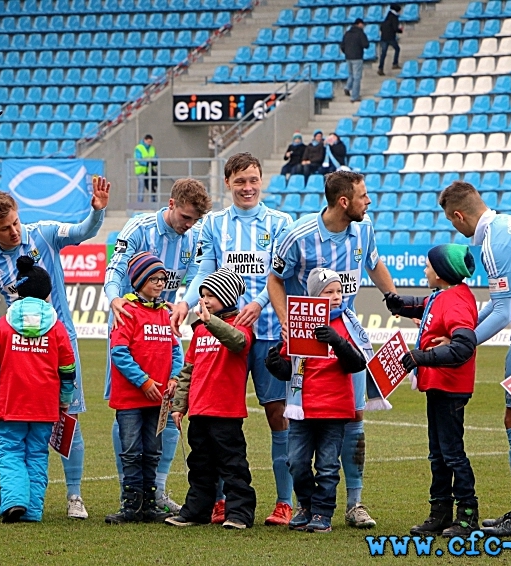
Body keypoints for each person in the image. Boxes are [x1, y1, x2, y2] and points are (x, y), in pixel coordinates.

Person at [268, 170, 398, 529]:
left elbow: (373, 264)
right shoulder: (298, 235)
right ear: (344, 202)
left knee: (354, 415)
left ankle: (354, 504)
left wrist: (393, 299)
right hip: (305, 337)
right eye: (362, 196)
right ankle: (306, 505)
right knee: (302, 416)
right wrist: (286, 321)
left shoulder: (364, 229)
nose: (367, 201)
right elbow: (275, 278)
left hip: (345, 332)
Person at [170, 154, 294, 526]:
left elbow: (279, 274)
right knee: (215, 415)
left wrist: (257, 303)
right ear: (228, 182)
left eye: (254, 179)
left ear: (261, 180)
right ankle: (220, 501)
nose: (248, 187)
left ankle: (284, 502)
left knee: (277, 415)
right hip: (224, 336)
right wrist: (186, 302)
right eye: (241, 181)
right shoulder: (214, 224)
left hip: (269, 332)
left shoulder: (280, 222)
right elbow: (206, 270)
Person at [0, 179, 108, 520]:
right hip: (16, 350)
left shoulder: (43, 233)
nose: (14, 232)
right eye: (4, 229)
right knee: (16, 423)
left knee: (69, 417)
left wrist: (97, 209)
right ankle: (15, 495)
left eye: (16, 223)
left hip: (60, 342)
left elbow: (82, 231)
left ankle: (74, 495)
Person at [438, 180, 511, 536]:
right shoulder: (507, 228)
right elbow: (497, 303)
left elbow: (504, 313)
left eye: (451, 221)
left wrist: (462, 344)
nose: (453, 228)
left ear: (458, 216)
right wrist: (465, 329)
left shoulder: (495, 242)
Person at [104, 178, 210, 515]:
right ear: (171, 204)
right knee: (128, 411)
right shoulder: (139, 228)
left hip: (165, 325)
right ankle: (130, 494)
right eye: (186, 217)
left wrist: (182, 305)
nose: (189, 225)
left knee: (166, 409)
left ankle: (155, 491)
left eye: (194, 220)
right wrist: (114, 300)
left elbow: (195, 277)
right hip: (128, 322)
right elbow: (116, 268)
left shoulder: (192, 238)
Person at [265, 268, 369, 533]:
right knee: (296, 462)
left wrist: (338, 342)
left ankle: (322, 512)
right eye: (329, 292)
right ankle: (306, 505)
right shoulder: (300, 322)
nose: (336, 297)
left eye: (339, 291)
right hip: (302, 411)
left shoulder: (347, 324)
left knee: (326, 465)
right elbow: (290, 370)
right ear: (314, 296)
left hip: (334, 411)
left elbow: (357, 363)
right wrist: (275, 364)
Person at [387, 246, 479, 537]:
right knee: (438, 454)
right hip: (439, 385)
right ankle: (440, 513)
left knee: (451, 454)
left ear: (440, 273)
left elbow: (464, 346)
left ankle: (467, 515)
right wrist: (397, 304)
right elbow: (422, 306)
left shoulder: (455, 302)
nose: (424, 271)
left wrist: (421, 357)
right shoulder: (445, 295)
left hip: (450, 387)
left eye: (427, 266)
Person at [0, 256, 77, 523]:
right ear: (47, 294)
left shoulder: (3, 324)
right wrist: (65, 399)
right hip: (45, 405)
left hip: (11, 401)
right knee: (37, 453)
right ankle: (32, 510)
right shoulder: (57, 328)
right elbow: (68, 368)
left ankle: (14, 500)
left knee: (10, 450)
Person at [166, 268, 256, 530]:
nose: (203, 300)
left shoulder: (240, 325)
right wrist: (179, 405)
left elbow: (238, 342)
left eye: (211, 296)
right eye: (202, 295)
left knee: (232, 465)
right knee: (200, 464)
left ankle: (239, 512)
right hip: (200, 412)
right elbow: (188, 370)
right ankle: (196, 510)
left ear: (227, 297)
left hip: (226, 412)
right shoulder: (200, 332)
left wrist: (210, 322)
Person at [105, 253, 183, 525]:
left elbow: (176, 352)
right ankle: (131, 504)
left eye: (162, 278)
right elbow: (119, 352)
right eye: (153, 279)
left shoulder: (165, 312)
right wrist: (145, 382)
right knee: (130, 451)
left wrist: (173, 378)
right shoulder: (127, 312)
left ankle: (149, 504)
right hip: (130, 399)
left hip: (159, 400)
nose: (160, 283)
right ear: (138, 281)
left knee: (152, 451)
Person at [341, 19, 369, 102]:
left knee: (351, 74)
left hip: (348, 57)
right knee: (357, 77)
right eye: (362, 24)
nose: (363, 26)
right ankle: (354, 96)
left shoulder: (347, 33)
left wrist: (346, 52)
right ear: (359, 24)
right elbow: (366, 45)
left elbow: (342, 45)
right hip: (357, 56)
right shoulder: (360, 33)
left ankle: (347, 87)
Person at [378, 4, 403, 75]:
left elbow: (381, 28)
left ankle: (380, 68)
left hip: (383, 37)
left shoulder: (387, 17)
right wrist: (400, 30)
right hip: (390, 37)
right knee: (397, 49)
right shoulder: (394, 18)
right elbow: (395, 28)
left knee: (383, 54)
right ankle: (395, 63)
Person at [135, 135, 158, 203]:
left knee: (152, 186)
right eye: (148, 141)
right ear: (144, 140)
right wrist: (148, 162)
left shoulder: (152, 148)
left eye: (150, 142)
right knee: (141, 187)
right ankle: (140, 202)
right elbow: (138, 159)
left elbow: (156, 157)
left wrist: (152, 161)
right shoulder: (139, 148)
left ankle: (153, 201)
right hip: (141, 170)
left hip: (150, 171)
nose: (149, 143)